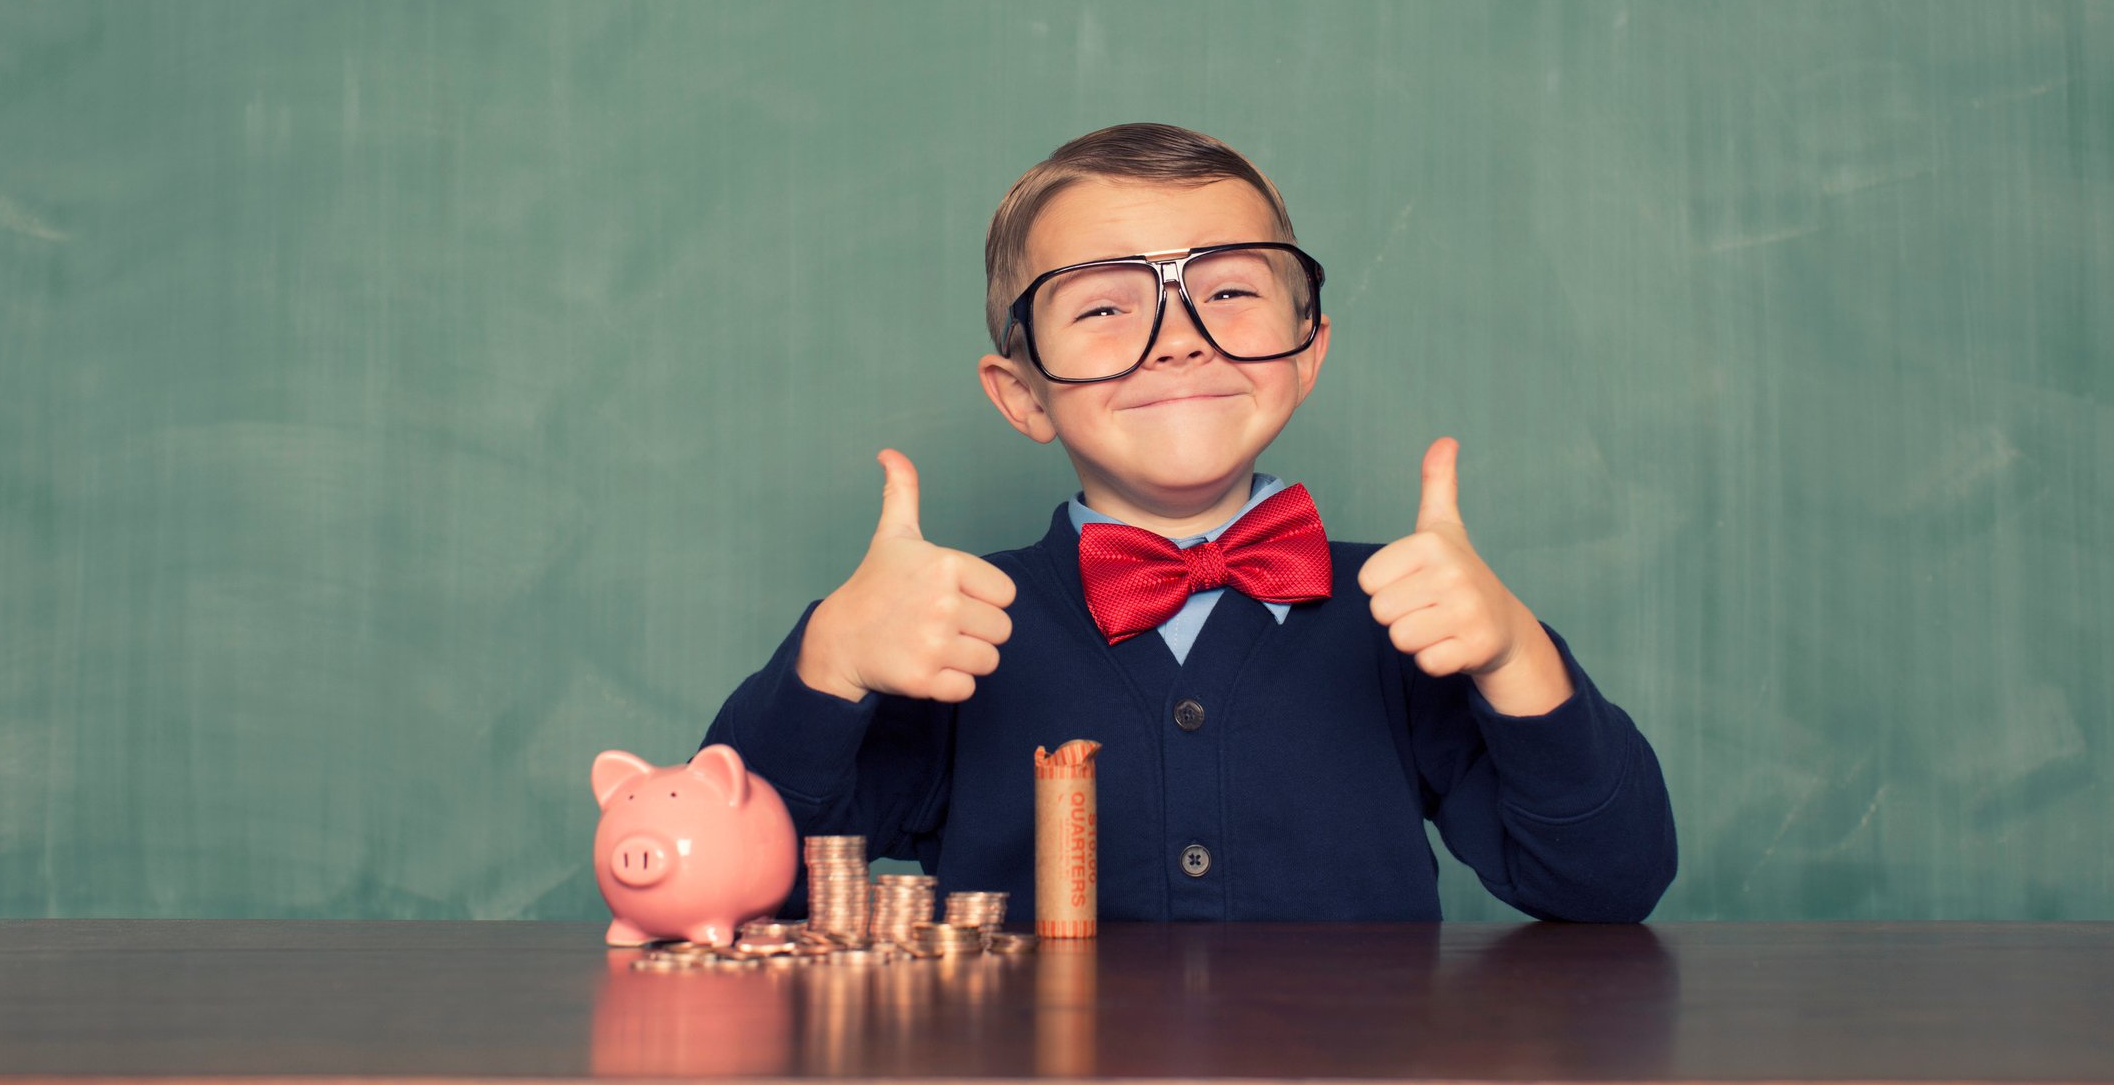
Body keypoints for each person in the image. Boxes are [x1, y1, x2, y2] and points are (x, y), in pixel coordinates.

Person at [703, 122, 1676, 922]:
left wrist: (1517, 658)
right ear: (1022, 393)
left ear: (1307, 350)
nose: (1177, 340)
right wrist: (825, 664)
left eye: (1231, 291)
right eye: (1102, 309)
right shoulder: (948, 629)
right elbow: (737, 891)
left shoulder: (1405, 622)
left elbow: (1607, 884)